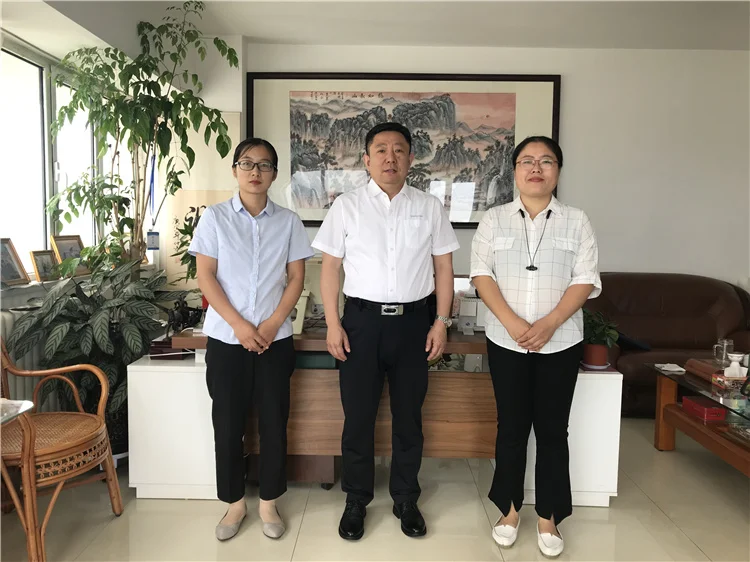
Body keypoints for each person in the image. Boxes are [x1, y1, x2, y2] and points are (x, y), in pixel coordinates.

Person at [312, 122, 459, 541]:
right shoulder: (347, 206)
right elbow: (331, 269)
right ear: (366, 159)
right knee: (358, 417)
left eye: (398, 150)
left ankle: (406, 498)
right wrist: (333, 323)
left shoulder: (429, 207)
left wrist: (441, 322)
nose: (390, 157)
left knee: (409, 418)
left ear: (411, 158)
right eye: (381, 150)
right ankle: (356, 499)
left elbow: (444, 268)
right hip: (361, 324)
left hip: (415, 323)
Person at [470, 135, 601, 557]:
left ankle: (548, 517)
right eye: (527, 161)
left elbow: (585, 279)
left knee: (552, 431)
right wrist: (512, 323)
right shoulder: (494, 220)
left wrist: (549, 324)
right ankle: (509, 511)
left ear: (558, 171)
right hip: (505, 340)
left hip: (560, 341)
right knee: (511, 427)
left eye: (546, 161)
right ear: (514, 171)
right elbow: (481, 274)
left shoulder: (577, 221)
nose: (536, 168)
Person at [190, 138, 314, 541]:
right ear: (235, 170)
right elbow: (206, 275)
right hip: (227, 340)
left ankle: (268, 503)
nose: (255, 171)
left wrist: (274, 322)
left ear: (274, 174)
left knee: (275, 423)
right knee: (228, 425)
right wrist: (240, 326)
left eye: (264, 165)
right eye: (247, 163)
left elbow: (296, 278)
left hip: (275, 340)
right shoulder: (215, 218)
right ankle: (234, 504)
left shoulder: (289, 222)